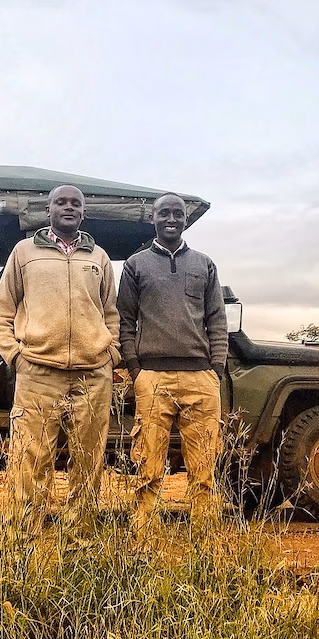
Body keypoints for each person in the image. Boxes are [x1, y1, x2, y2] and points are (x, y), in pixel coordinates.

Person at [0, 185, 121, 544]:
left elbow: (110, 312)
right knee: (30, 459)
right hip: (37, 372)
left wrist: (111, 352)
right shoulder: (25, 253)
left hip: (93, 374)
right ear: (47, 210)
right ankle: (23, 543)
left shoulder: (98, 257)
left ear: (83, 212)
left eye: (75, 204)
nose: (68, 208)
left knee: (89, 461)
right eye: (60, 202)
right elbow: (1, 310)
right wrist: (14, 355)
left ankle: (80, 540)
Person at [117, 192, 227, 534]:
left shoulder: (204, 264)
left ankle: (204, 537)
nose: (171, 219)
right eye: (164, 213)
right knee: (148, 464)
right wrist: (136, 370)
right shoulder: (136, 265)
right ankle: (143, 535)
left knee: (204, 465)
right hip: (153, 378)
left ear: (185, 219)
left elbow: (216, 319)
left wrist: (216, 368)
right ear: (153, 218)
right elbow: (125, 320)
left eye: (177, 214)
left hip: (200, 379)